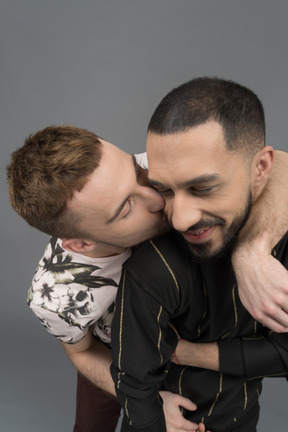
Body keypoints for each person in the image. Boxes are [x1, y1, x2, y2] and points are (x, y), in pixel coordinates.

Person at [7, 120, 288, 430]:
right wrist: (149, 400)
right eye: (127, 207)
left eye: (138, 174)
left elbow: (279, 164)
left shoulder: (156, 167)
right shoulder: (57, 297)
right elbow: (83, 351)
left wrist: (252, 253)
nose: (157, 199)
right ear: (82, 243)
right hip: (113, 355)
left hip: (183, 337)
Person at [110, 77, 288, 432]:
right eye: (165, 190)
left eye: (203, 187)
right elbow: (133, 381)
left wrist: (185, 352)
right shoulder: (152, 267)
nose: (180, 219)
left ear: (261, 169)